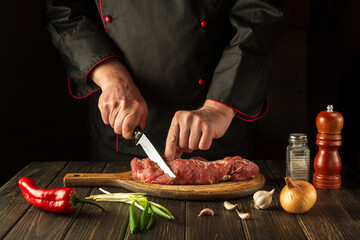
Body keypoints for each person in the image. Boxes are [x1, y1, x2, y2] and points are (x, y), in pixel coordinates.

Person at [44, 0, 283, 162]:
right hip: (120, 129)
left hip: (218, 130)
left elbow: (258, 13)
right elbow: (64, 11)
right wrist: (111, 76)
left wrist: (217, 108)